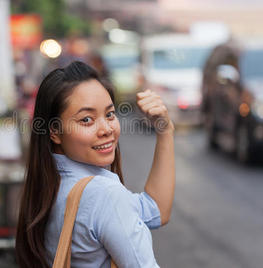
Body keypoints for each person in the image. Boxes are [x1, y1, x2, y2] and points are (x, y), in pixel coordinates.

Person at [16, 61, 175, 267]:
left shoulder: (48, 183)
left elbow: (155, 211)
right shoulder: (103, 194)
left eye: (109, 114)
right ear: (54, 132)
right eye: (87, 120)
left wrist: (165, 131)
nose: (106, 129)